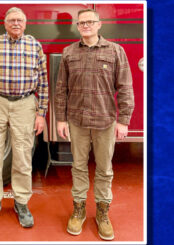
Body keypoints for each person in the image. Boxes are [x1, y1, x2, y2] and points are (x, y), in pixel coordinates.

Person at [55, 9, 134, 240]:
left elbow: (125, 87)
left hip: (105, 122)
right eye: (82, 23)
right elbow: (61, 89)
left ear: (99, 24)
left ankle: (102, 212)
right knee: (78, 167)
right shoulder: (69, 52)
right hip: (77, 121)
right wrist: (61, 118)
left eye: (90, 22)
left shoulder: (115, 51)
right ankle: (78, 210)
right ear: (78, 27)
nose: (86, 26)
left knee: (104, 169)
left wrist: (124, 120)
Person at [0, 7, 48, 228]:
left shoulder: (35, 45)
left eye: (19, 20)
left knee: (23, 156)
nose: (15, 23)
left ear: (25, 24)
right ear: (5, 24)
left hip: (26, 104)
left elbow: (44, 82)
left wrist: (41, 113)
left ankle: (21, 202)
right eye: (11, 20)